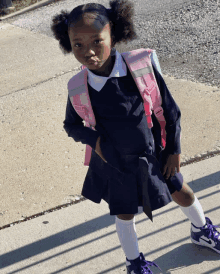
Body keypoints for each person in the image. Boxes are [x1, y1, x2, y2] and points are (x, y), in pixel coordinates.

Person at [50, 1, 220, 273]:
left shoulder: (140, 68)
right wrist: (95, 142)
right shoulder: (78, 87)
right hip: (115, 162)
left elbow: (171, 110)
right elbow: (71, 125)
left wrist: (174, 149)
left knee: (183, 192)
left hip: (154, 154)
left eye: (97, 40)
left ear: (114, 35)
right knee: (125, 213)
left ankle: (201, 231)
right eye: (78, 44)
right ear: (68, 43)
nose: (89, 52)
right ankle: (134, 263)